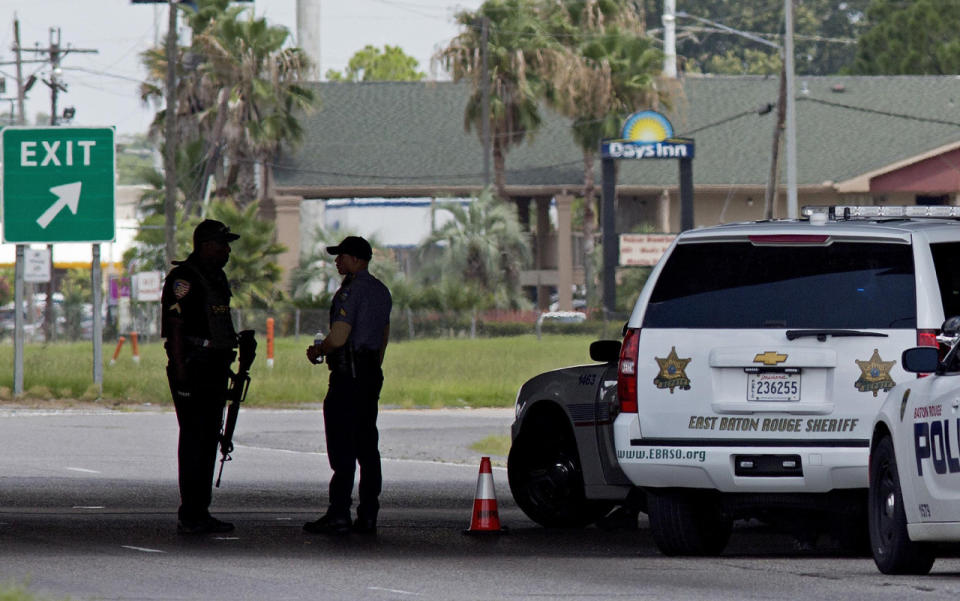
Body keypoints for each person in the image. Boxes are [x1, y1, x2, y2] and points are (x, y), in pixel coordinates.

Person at [304, 236, 392, 535]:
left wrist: (319, 350)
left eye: (341, 256)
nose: (337, 261)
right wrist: (372, 367)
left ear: (356, 259)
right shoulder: (381, 291)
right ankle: (368, 513)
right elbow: (383, 336)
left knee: (342, 446)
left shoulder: (349, 293)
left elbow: (339, 336)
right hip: (369, 373)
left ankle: (339, 511)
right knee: (368, 446)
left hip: (346, 376)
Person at [161, 219, 240, 535]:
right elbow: (176, 326)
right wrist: (180, 369)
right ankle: (191, 510)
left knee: (209, 437)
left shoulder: (216, 278)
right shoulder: (184, 279)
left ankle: (200, 509)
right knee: (195, 438)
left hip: (216, 365)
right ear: (206, 245)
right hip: (193, 365)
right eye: (222, 244)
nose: (227, 250)